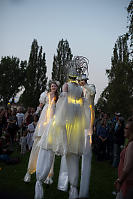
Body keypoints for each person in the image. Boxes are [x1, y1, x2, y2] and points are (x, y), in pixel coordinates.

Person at [34, 61, 91, 199]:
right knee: (72, 156)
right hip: (75, 125)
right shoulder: (80, 90)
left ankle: (40, 182)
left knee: (49, 147)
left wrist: (57, 120)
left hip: (63, 122)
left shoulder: (66, 86)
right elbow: (83, 106)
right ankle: (72, 188)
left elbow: (63, 103)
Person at [24, 81, 59, 184]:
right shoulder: (45, 95)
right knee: (37, 145)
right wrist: (36, 112)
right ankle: (30, 171)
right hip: (44, 118)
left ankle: (48, 174)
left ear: (57, 87)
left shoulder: (59, 97)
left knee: (50, 146)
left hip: (53, 119)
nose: (53, 87)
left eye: (55, 86)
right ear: (50, 87)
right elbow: (40, 105)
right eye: (52, 86)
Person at [114, 116, 133, 199]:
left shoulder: (132, 145)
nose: (124, 130)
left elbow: (127, 167)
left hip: (127, 183)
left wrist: (119, 181)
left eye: (126, 128)